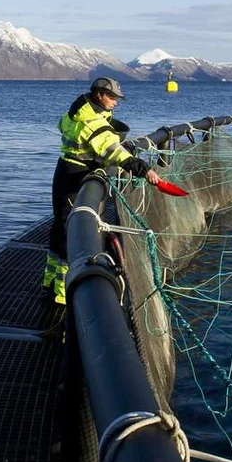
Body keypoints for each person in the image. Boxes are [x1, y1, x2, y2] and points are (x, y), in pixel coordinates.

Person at [43, 76, 160, 305]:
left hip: (64, 171)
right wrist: (143, 169)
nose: (116, 102)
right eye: (112, 97)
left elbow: (62, 125)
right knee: (71, 232)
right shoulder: (91, 122)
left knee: (60, 226)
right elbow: (112, 150)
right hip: (75, 179)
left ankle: (50, 282)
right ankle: (62, 295)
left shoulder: (78, 110)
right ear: (99, 95)